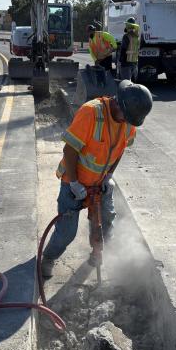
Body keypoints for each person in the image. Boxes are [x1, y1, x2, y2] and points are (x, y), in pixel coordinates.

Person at [41, 81, 153, 277]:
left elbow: (120, 149)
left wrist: (109, 176)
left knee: (106, 224)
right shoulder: (91, 113)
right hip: (73, 182)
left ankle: (96, 254)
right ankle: (49, 258)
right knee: (66, 233)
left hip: (100, 183)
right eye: (126, 117)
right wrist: (74, 183)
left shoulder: (128, 121)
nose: (127, 122)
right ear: (118, 104)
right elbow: (70, 150)